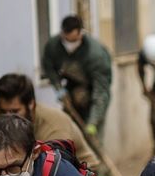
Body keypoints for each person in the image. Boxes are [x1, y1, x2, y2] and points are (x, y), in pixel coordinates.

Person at [0, 73, 115, 176]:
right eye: (3, 111)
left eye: (15, 111)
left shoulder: (54, 126)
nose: (8, 118)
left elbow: (57, 174)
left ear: (31, 104)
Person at [40, 15, 113, 143]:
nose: (69, 45)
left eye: (73, 41)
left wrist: (93, 122)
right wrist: (59, 89)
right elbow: (49, 68)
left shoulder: (96, 54)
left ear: (80, 34)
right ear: (62, 33)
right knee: (69, 137)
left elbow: (101, 92)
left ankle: (96, 160)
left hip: (94, 96)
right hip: (70, 93)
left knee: (93, 142)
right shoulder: (53, 46)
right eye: (66, 40)